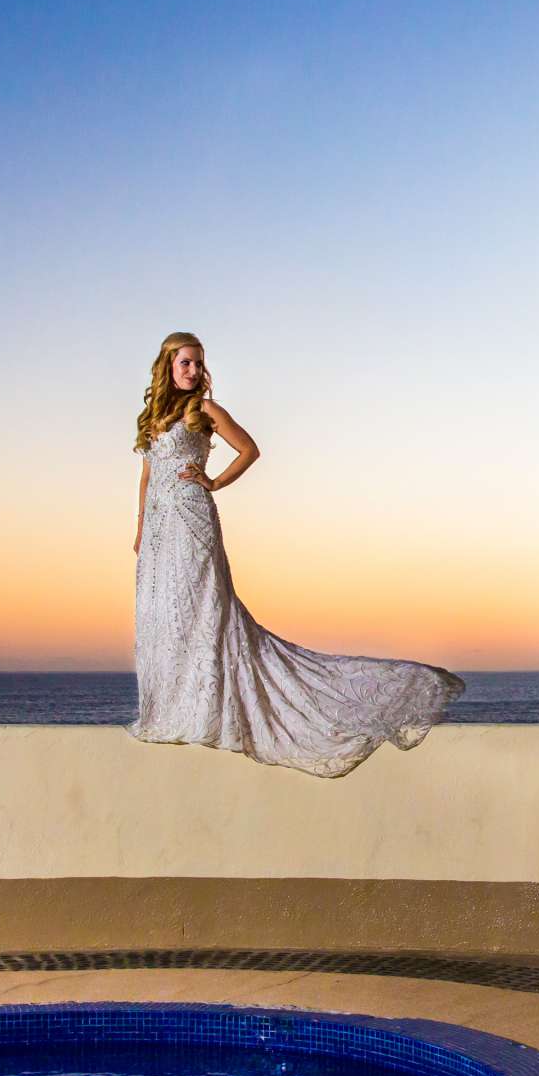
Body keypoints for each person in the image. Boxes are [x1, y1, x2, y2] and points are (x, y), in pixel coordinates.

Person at [128, 331, 465, 776]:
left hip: (192, 521)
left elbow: (249, 449)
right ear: (167, 365)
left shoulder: (205, 410)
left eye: (198, 363)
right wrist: (140, 528)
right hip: (158, 532)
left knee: (203, 609)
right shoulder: (152, 417)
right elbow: (148, 477)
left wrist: (213, 483)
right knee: (165, 613)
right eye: (185, 363)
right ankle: (173, 709)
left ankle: (207, 711)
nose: (193, 371)